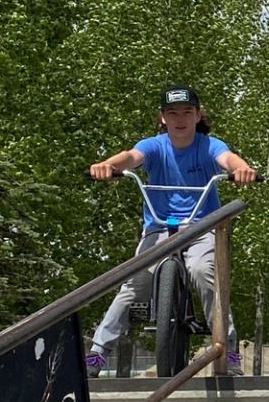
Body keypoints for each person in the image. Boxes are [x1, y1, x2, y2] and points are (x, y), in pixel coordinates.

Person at [86, 85, 257, 372]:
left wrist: (242, 169)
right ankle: (98, 351)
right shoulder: (154, 145)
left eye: (187, 112)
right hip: (159, 228)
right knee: (133, 284)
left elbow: (228, 159)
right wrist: (107, 165)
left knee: (205, 274)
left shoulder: (208, 145)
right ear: (163, 117)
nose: (180, 119)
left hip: (202, 228)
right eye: (172, 113)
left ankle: (228, 351)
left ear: (197, 115)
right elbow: (130, 158)